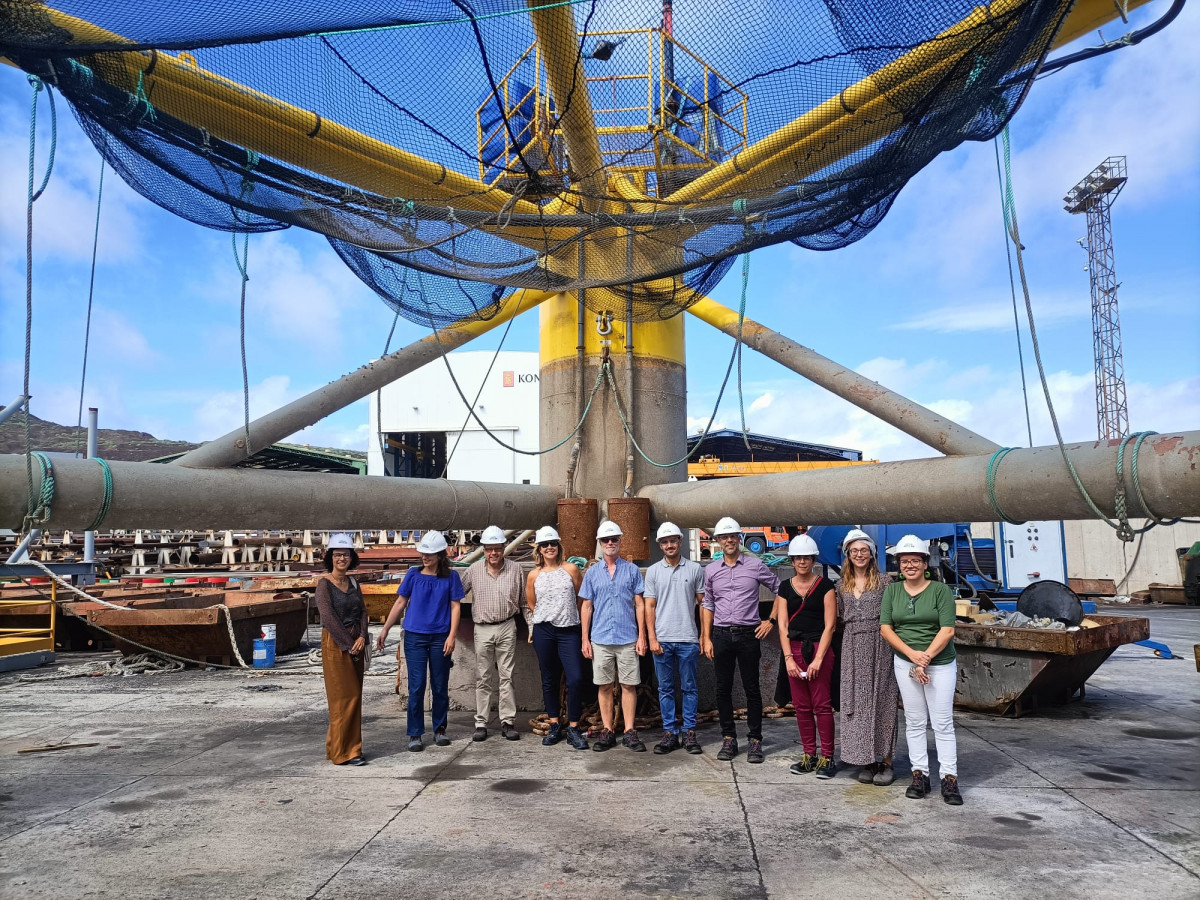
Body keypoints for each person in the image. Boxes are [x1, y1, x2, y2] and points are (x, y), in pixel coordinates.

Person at [880, 534, 963, 805]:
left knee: (942, 723)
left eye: (915, 560)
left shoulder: (940, 591)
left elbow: (947, 630)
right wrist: (912, 657)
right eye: (905, 561)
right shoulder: (892, 591)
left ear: (925, 563)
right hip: (906, 662)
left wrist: (924, 658)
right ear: (899, 564)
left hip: (938, 664)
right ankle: (920, 775)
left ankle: (949, 779)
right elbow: (886, 628)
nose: (910, 565)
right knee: (915, 722)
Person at [701, 516, 780, 764]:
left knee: (752, 688)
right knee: (722, 688)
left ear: (739, 538)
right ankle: (729, 738)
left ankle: (755, 740)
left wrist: (771, 621)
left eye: (732, 536)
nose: (729, 540)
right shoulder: (711, 570)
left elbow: (780, 590)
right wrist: (706, 637)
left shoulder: (755, 566)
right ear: (719, 541)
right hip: (722, 634)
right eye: (724, 537)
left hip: (748, 635)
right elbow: (708, 603)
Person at [377, 531, 464, 752]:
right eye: (423, 552)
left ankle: (439, 729)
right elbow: (399, 603)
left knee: (439, 685)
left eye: (430, 553)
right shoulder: (413, 575)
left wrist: (452, 635)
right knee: (416, 687)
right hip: (415, 636)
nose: (425, 557)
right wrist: (385, 629)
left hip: (440, 637)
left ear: (440, 554)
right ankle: (415, 733)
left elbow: (456, 606)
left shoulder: (451, 577)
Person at [836, 529, 899, 786]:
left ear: (871, 554)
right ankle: (866, 759)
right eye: (854, 551)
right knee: (857, 703)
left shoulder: (886, 583)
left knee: (883, 700)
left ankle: (886, 762)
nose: (859, 555)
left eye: (863, 550)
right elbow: (838, 617)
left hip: (881, 643)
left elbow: (894, 615)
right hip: (852, 645)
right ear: (848, 555)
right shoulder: (841, 586)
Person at [579, 520, 648, 753]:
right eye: (606, 540)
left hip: (627, 637)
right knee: (604, 685)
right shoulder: (591, 573)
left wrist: (642, 637)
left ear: (620, 541)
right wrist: (585, 639)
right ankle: (607, 729)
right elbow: (586, 606)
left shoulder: (631, 570)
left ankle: (629, 731)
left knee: (629, 685)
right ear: (600, 543)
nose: (610, 543)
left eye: (614, 539)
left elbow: (640, 604)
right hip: (600, 638)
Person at [774, 534, 838, 778]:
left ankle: (827, 757)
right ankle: (809, 755)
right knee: (801, 707)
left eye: (807, 558)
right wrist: (789, 657)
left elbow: (830, 626)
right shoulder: (784, 587)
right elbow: (782, 626)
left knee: (821, 706)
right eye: (798, 558)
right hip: (795, 650)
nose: (802, 562)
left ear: (813, 560)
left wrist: (819, 659)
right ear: (792, 560)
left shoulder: (825, 586)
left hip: (819, 648)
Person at [460, 525, 528, 743]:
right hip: (482, 628)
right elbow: (456, 594)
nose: (493, 553)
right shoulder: (473, 570)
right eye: (489, 549)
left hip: (507, 625)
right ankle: (481, 722)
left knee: (507, 675)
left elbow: (525, 603)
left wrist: (532, 626)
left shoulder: (516, 570)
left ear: (504, 547)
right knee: (483, 677)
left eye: (497, 548)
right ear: (484, 550)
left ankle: (507, 721)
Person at [644, 521, 705, 755]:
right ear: (660, 545)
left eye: (673, 540)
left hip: (688, 638)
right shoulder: (654, 572)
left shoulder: (695, 569)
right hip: (663, 639)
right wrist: (652, 638)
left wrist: (703, 635)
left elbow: (703, 604)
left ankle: (689, 732)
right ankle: (669, 732)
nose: (669, 545)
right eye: (665, 541)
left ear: (680, 541)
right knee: (665, 689)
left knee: (690, 687)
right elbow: (649, 607)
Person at [526, 525, 590, 751]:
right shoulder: (534, 574)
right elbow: (532, 603)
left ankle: (573, 727)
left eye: (553, 543)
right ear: (539, 549)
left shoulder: (571, 569)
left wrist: (572, 617)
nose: (549, 547)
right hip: (545, 631)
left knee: (575, 678)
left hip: (568, 631)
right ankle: (555, 724)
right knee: (549, 678)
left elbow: (581, 598)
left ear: (558, 546)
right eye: (545, 544)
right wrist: (541, 621)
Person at [315, 533, 369, 766]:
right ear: (330, 557)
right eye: (337, 555)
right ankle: (343, 753)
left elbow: (364, 612)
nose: (341, 559)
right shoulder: (324, 585)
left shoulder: (353, 583)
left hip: (356, 641)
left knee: (354, 696)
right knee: (342, 699)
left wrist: (363, 637)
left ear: (351, 557)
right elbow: (328, 617)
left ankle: (346, 748)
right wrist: (348, 645)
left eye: (345, 555)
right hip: (336, 644)